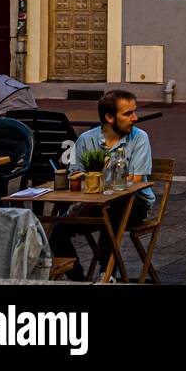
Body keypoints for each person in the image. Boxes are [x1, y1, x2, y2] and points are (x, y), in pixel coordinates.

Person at [52, 90, 153, 280]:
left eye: (134, 111)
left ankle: (106, 275)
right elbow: (74, 173)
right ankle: (78, 280)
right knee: (56, 230)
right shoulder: (86, 139)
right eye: (128, 113)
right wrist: (87, 179)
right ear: (109, 117)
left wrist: (94, 178)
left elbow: (135, 180)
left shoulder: (140, 138)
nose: (135, 118)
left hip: (134, 203)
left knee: (112, 208)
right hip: (94, 203)